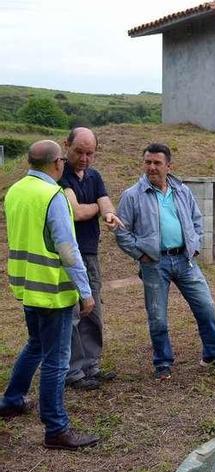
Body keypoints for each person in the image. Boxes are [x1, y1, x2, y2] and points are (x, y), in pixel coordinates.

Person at [0, 140, 100, 450]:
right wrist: (85, 292)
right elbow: (68, 250)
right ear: (57, 163)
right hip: (53, 290)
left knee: (36, 344)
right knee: (57, 359)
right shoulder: (53, 196)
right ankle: (56, 428)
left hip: (27, 285)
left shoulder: (15, 191)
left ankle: (12, 400)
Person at [113, 143, 215, 380]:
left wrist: (195, 245)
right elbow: (122, 232)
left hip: (185, 260)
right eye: (148, 162)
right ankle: (163, 362)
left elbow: (197, 220)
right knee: (157, 316)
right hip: (154, 263)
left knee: (206, 306)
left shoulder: (182, 191)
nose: (151, 167)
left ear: (169, 166)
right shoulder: (132, 196)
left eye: (157, 163)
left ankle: (213, 354)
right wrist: (141, 254)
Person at [59, 127, 124, 390]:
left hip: (90, 253)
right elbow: (75, 212)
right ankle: (73, 371)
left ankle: (91, 366)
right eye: (79, 152)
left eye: (90, 153)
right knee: (74, 311)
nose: (84, 158)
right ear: (67, 145)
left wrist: (108, 214)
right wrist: (99, 208)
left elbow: (106, 203)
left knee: (93, 308)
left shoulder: (94, 176)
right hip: (67, 253)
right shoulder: (59, 174)